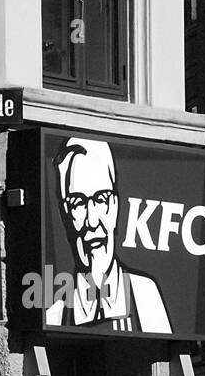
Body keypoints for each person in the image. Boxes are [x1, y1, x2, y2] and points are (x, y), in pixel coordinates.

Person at [46, 137, 171, 334]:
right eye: (78, 203)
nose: (92, 220)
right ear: (65, 214)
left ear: (115, 205)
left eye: (100, 199)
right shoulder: (55, 315)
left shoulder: (144, 295)